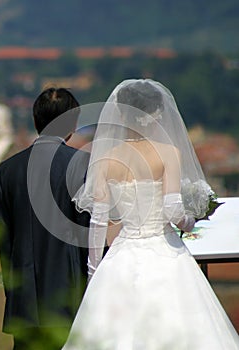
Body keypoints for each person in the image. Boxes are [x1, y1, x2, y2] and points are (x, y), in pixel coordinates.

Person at [62, 79, 239, 349]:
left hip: (123, 252)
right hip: (165, 249)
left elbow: (99, 222)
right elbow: (173, 211)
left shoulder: (106, 159)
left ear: (120, 114)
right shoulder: (168, 153)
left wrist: (94, 270)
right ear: (156, 113)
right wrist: (190, 223)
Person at [0, 87, 90, 350]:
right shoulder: (83, 164)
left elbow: (5, 242)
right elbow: (88, 234)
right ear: (71, 123)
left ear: (36, 121)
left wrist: (13, 294)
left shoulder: (7, 170)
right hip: (69, 294)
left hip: (23, 299)